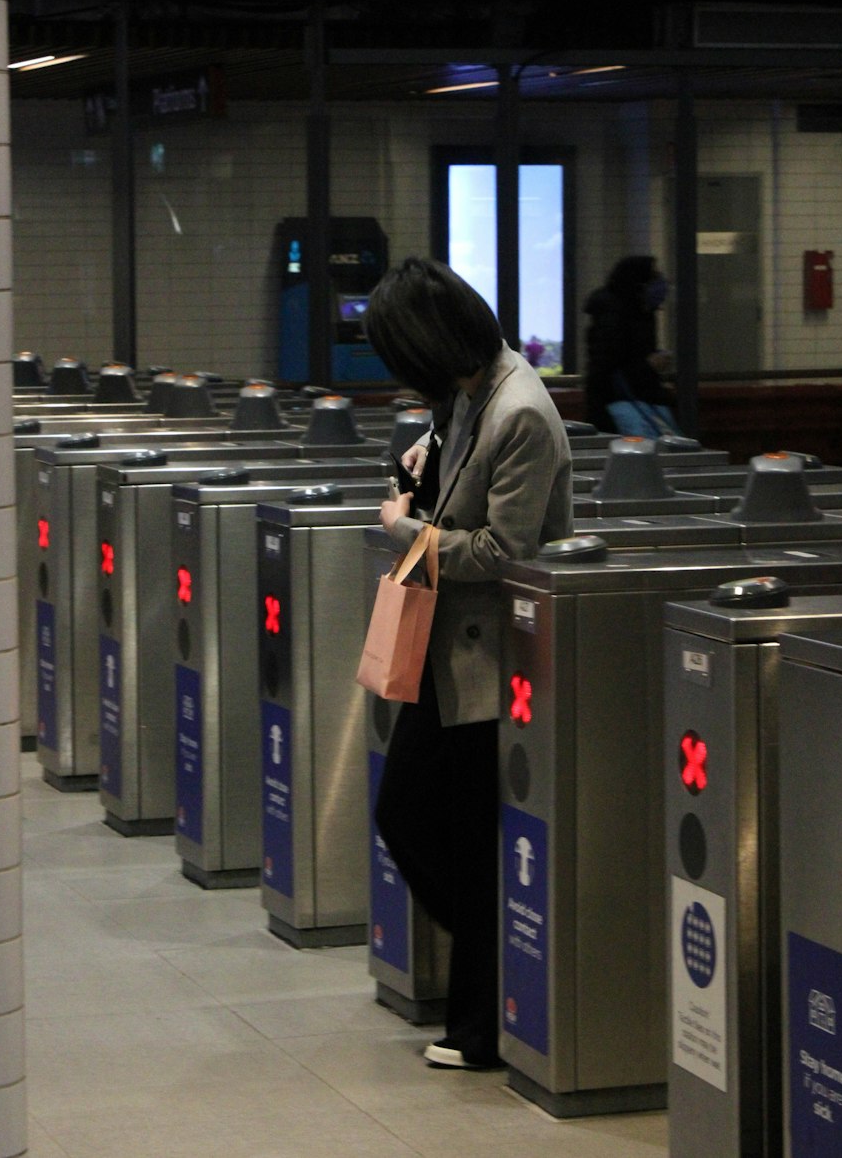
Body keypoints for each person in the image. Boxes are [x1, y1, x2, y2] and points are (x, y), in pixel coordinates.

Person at [364, 257, 573, 1071]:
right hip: (446, 656)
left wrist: (404, 531)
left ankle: (486, 1015)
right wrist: (422, 463)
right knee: (422, 821)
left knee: (433, 825)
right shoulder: (468, 394)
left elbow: (505, 548)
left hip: (491, 663)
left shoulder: (519, 412)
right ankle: (483, 1002)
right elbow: (459, 484)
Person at [583, 255, 679, 437]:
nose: (660, 283)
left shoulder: (639, 312)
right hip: (617, 410)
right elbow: (609, 365)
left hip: (626, 403)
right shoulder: (614, 313)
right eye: (654, 276)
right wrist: (649, 365)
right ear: (639, 281)